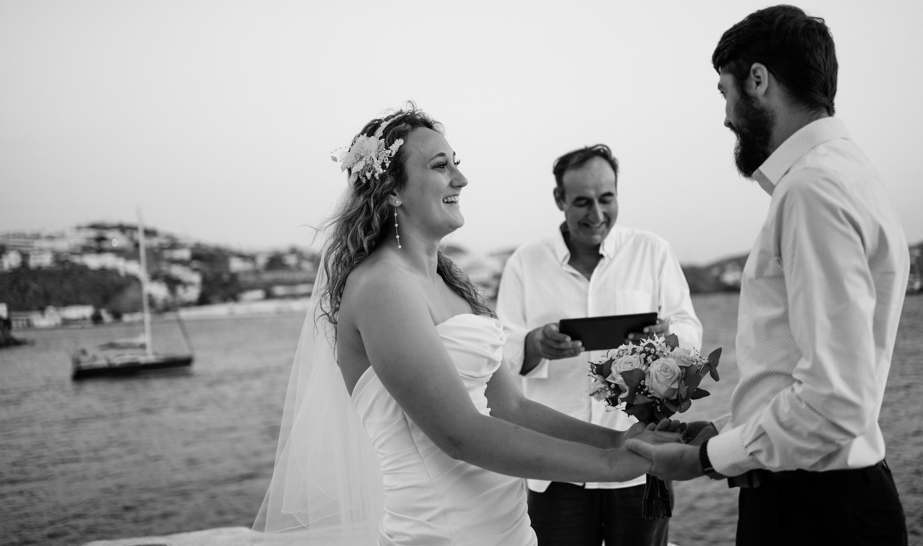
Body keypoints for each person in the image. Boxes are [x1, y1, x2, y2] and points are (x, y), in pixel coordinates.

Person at [253, 105, 663, 546]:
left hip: (510, 531)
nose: (461, 179)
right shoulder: (381, 286)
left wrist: (617, 442)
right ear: (392, 191)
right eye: (439, 166)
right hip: (443, 534)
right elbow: (460, 434)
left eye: (457, 164)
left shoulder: (451, 283)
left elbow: (515, 409)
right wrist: (613, 469)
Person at [627, 5, 910, 545]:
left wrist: (708, 458)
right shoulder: (850, 175)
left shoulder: (811, 191)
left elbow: (834, 401)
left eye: (724, 91)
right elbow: (803, 375)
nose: (726, 115)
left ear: (758, 80)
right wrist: (722, 433)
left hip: (813, 513)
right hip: (828, 500)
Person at [496, 144, 702, 546]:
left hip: (642, 458)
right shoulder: (525, 262)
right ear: (559, 199)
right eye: (582, 202)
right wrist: (535, 344)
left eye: (606, 199)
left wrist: (666, 338)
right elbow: (501, 352)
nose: (596, 214)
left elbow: (689, 328)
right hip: (556, 468)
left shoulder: (652, 251)